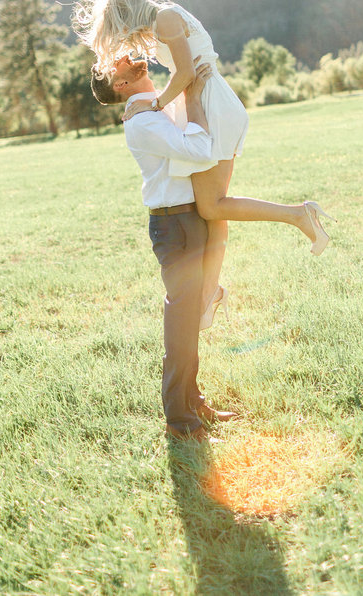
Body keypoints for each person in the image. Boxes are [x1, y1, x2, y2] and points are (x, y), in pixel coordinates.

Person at [73, 0, 335, 320]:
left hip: (211, 103)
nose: (122, 38)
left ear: (126, 14)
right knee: (212, 205)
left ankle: (298, 215)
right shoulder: (161, 20)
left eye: (117, 27)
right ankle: (210, 294)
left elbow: (184, 73)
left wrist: (152, 105)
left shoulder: (165, 18)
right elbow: (184, 73)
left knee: (211, 206)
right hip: (203, 101)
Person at [93, 56, 238, 442]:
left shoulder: (152, 106)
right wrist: (190, 93)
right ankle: (180, 420)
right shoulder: (141, 123)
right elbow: (202, 150)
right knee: (181, 320)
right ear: (120, 86)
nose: (125, 58)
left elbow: (178, 86)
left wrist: (185, 82)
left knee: (190, 317)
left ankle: (195, 402)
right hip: (174, 224)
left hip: (193, 218)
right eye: (114, 65)